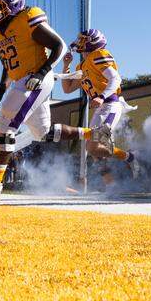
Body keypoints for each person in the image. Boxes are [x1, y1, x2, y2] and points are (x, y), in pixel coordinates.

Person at [0, 0, 68, 204]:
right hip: (21, 78)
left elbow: (59, 45)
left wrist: (41, 72)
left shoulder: (26, 18)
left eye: (0, 7)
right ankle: (92, 134)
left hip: (36, 76)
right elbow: (8, 63)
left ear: (14, 6)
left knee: (5, 128)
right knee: (42, 133)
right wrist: (1, 89)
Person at [59, 29, 137, 195]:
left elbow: (116, 79)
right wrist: (66, 65)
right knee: (93, 150)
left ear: (92, 41)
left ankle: (130, 157)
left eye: (83, 39)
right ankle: (112, 184)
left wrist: (101, 96)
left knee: (93, 146)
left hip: (110, 105)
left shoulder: (98, 55)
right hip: (100, 109)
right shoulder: (82, 66)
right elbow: (67, 89)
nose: (79, 42)